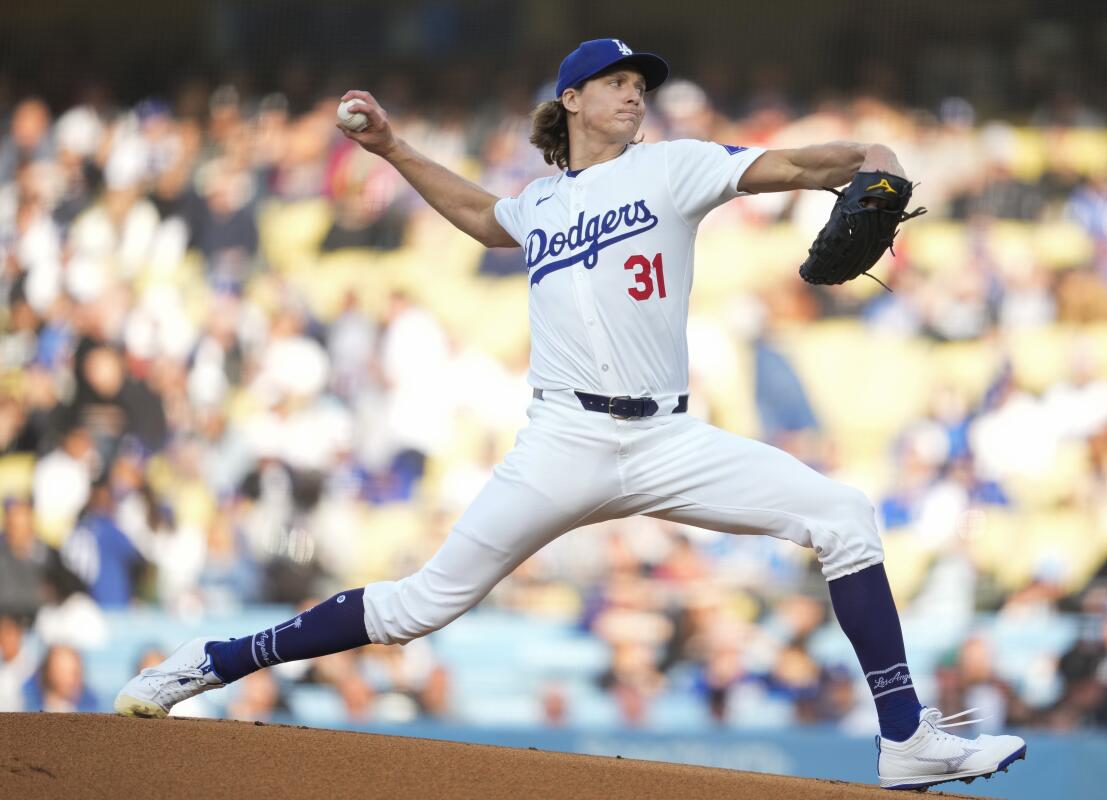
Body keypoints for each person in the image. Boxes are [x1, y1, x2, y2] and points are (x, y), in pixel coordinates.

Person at [115, 38, 1026, 790]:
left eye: (642, 85)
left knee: (843, 515)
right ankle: (213, 660)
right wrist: (392, 149)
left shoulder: (674, 168)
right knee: (416, 608)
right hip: (564, 438)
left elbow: (794, 165)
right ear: (574, 100)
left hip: (668, 435)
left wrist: (872, 159)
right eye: (619, 83)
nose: (636, 96)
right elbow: (480, 215)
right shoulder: (542, 202)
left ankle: (906, 739)